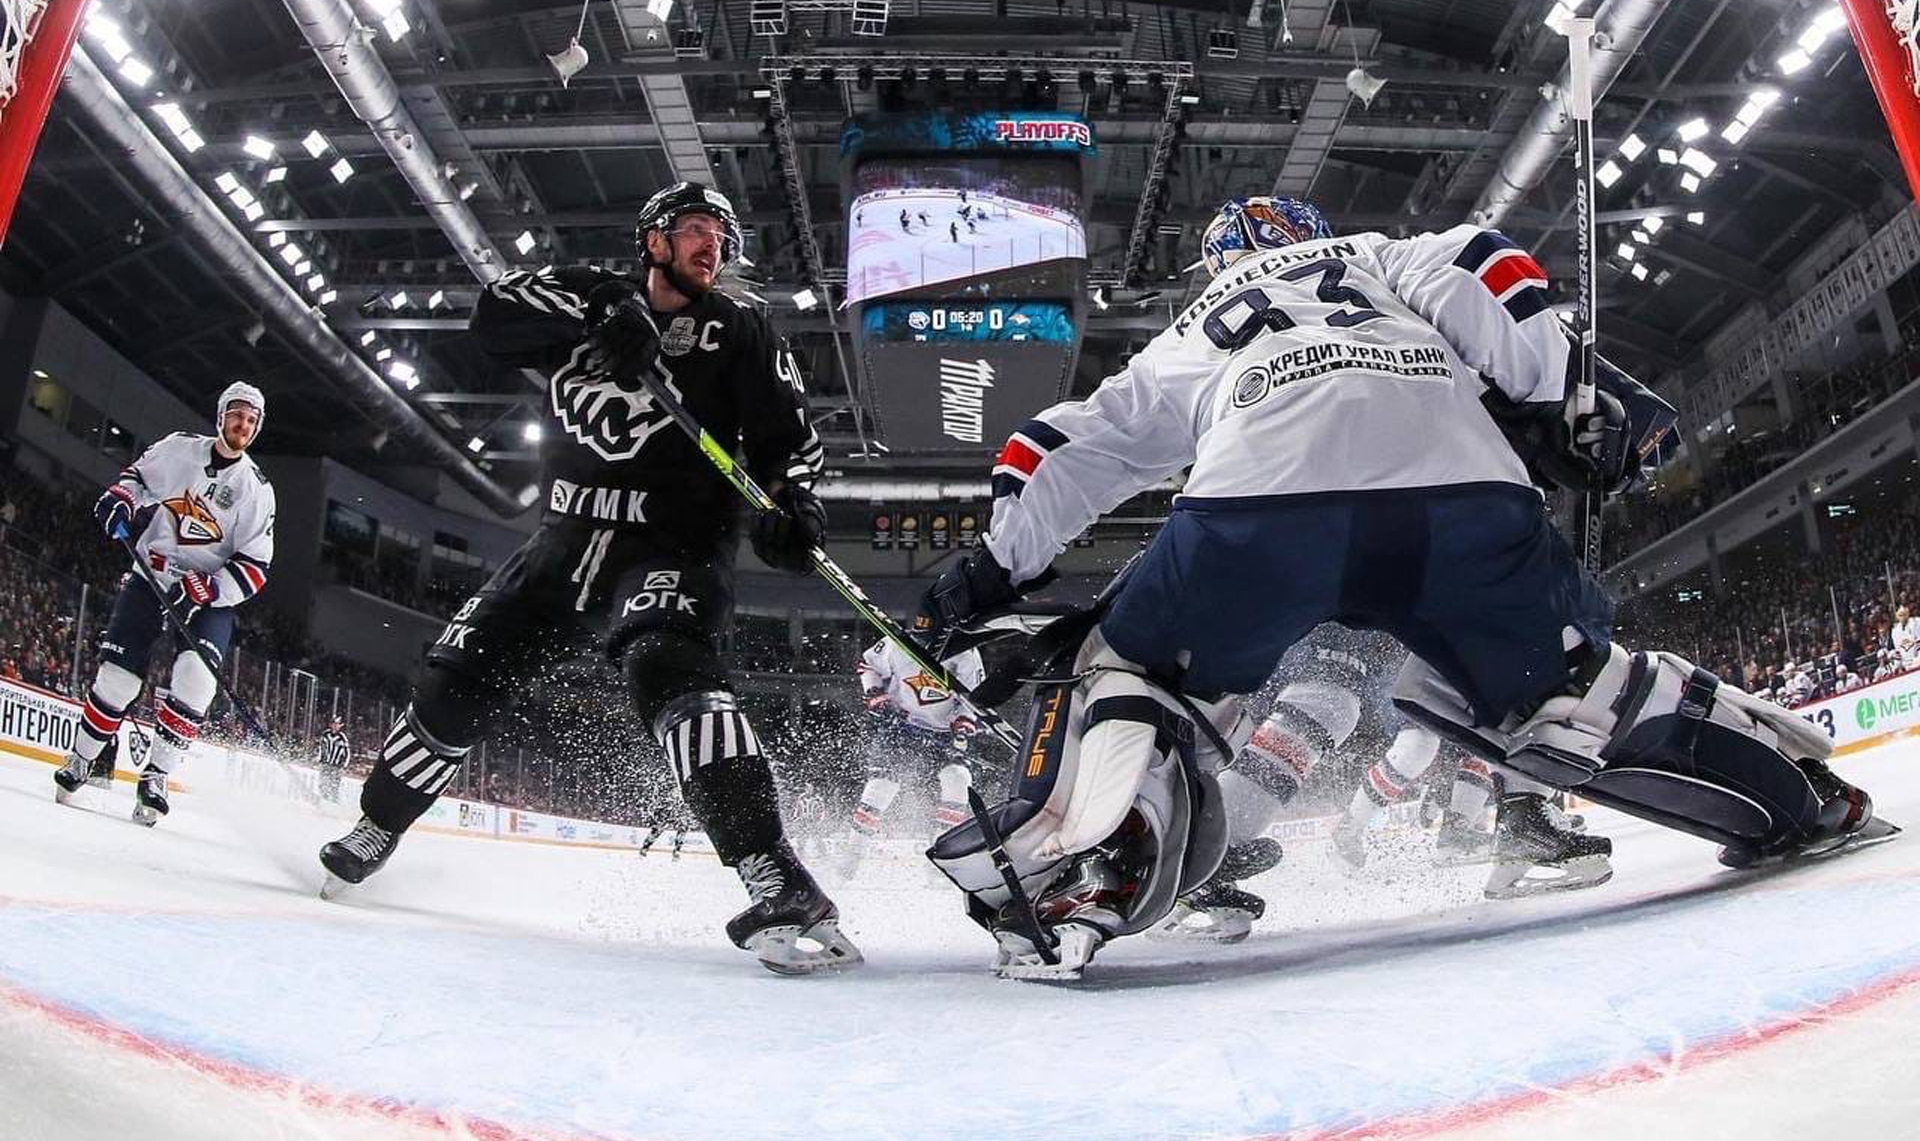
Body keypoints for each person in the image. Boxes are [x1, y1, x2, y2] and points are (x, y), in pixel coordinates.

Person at [917, 196, 1882, 979]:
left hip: (1263, 509)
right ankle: (1803, 799)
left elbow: (1064, 442)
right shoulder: (1378, 251)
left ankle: (1091, 870)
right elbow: (1488, 266)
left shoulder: (1198, 325)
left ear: (1217, 265)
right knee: (1571, 694)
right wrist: (1569, 396)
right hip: (1456, 498)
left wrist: (997, 564)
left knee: (1127, 665)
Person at [316, 181, 858, 975]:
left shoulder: (742, 328)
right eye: (700, 231)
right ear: (656, 239)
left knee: (667, 666)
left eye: (723, 238)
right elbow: (492, 314)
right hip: (562, 539)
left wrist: (791, 505)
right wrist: (605, 304)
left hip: (672, 542)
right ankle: (377, 824)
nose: (716, 248)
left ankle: (777, 876)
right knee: (457, 678)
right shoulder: (580, 297)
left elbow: (787, 439)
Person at [54, 383, 275, 826]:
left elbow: (255, 566)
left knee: (196, 681)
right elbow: (136, 479)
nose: (243, 425)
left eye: (251, 420)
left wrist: (211, 589)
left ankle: (156, 777)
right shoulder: (179, 449)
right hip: (151, 576)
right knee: (116, 679)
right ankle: (81, 760)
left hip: (208, 597)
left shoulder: (256, 490)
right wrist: (121, 500)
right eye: (236, 415)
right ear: (220, 416)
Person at [838, 639, 984, 875]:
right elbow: (868, 665)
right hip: (901, 725)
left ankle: (942, 859)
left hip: (944, 732)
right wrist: (874, 692)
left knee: (958, 780)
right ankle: (853, 854)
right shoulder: (897, 641)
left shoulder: (966, 652)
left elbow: (974, 695)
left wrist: (964, 720)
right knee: (881, 786)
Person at [316, 715, 351, 803]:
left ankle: (333, 803)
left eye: (337, 724)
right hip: (325, 764)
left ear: (341, 725)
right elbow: (321, 747)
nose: (335, 726)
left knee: (334, 786)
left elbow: (347, 753)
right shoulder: (325, 734)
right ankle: (323, 800)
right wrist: (319, 759)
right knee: (323, 784)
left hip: (336, 766)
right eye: (333, 724)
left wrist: (344, 766)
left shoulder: (342, 737)